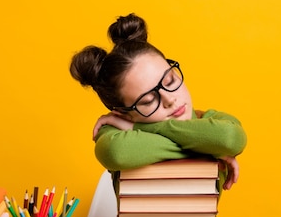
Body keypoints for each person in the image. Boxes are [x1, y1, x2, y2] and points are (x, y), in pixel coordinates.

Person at [69, 13, 247, 193]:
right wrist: (207, 150)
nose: (170, 99)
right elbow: (116, 153)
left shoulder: (209, 119)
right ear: (123, 113)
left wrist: (138, 127)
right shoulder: (113, 131)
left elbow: (230, 138)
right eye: (148, 100)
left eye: (170, 81)